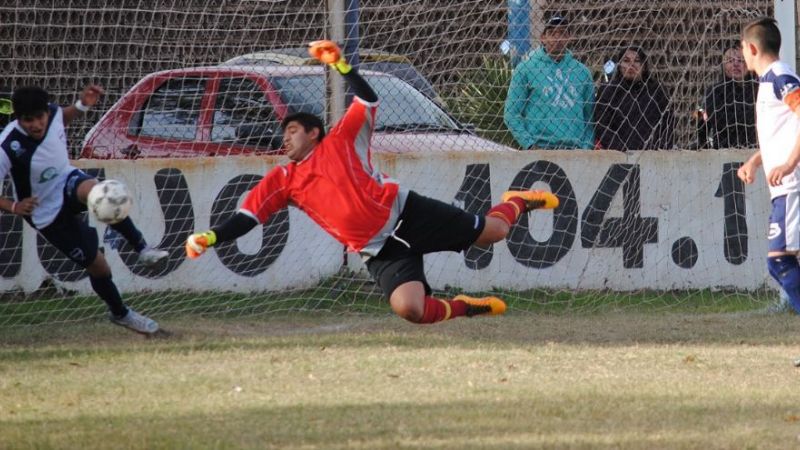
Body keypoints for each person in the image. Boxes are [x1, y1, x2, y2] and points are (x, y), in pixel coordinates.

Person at [185, 40, 560, 324]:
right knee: (410, 309)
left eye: (293, 130)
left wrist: (340, 64)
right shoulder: (283, 180)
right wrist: (212, 236)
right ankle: (466, 306)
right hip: (378, 249)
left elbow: (368, 98)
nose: (285, 139)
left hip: (407, 213)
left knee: (494, 232)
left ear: (314, 132)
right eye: (284, 133)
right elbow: (248, 218)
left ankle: (519, 200)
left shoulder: (341, 141)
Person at [0, 85, 168, 334]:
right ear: (18, 118)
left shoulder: (54, 114)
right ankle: (120, 313)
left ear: (46, 111)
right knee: (99, 267)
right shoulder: (7, 146)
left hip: (66, 180)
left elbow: (63, 116)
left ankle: (142, 248)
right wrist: (14, 206)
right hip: (46, 212)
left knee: (100, 192)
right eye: (28, 120)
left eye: (40, 117)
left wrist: (82, 106)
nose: (36, 125)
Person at [737, 17, 800, 314]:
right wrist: (755, 160)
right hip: (786, 186)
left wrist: (788, 164)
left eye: (741, 49)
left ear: (751, 47)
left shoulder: (779, 76)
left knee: (779, 260)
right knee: (780, 262)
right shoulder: (768, 82)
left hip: (793, 184)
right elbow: (783, 132)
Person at [503, 14, 594, 150]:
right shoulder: (526, 68)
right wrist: (529, 145)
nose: (557, 38)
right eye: (552, 33)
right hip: (540, 148)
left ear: (569, 37)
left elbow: (590, 116)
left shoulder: (582, 72)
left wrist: (586, 148)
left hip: (575, 151)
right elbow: (511, 113)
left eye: (562, 33)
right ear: (543, 38)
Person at [594, 46, 674, 151]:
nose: (631, 65)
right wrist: (621, 149)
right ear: (619, 65)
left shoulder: (657, 90)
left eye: (636, 61)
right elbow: (602, 126)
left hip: (653, 154)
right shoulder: (608, 90)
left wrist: (657, 148)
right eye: (626, 61)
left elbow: (668, 124)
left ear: (644, 66)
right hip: (618, 155)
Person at [697, 45, 758, 149]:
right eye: (730, 61)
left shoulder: (759, 89)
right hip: (723, 151)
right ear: (723, 65)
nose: (735, 64)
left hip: (755, 151)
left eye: (741, 60)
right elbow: (701, 121)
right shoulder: (715, 91)